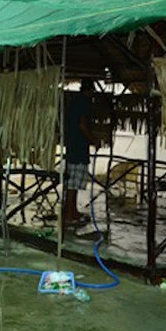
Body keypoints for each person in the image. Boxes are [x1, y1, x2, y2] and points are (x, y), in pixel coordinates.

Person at [63, 79, 101, 231]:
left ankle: (72, 212)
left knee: (72, 184)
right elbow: (82, 125)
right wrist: (94, 140)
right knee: (73, 184)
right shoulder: (83, 103)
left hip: (73, 147)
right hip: (78, 150)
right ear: (90, 91)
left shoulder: (74, 103)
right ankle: (68, 215)